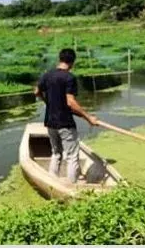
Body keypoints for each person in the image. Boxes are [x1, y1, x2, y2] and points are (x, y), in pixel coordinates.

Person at [34, 48, 99, 184]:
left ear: (60, 59)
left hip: (50, 122)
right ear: (72, 62)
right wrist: (88, 118)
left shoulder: (47, 75)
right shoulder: (69, 77)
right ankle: (71, 186)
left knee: (56, 154)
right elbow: (70, 102)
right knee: (72, 156)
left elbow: (36, 92)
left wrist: (48, 102)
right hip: (65, 124)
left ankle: (52, 183)